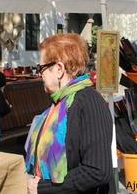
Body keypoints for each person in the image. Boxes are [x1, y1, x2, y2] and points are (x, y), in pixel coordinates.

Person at [26, 33, 114, 194]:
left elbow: (98, 170)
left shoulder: (89, 102)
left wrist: (44, 188)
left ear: (59, 69)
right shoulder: (60, 103)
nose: (39, 74)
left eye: (41, 68)